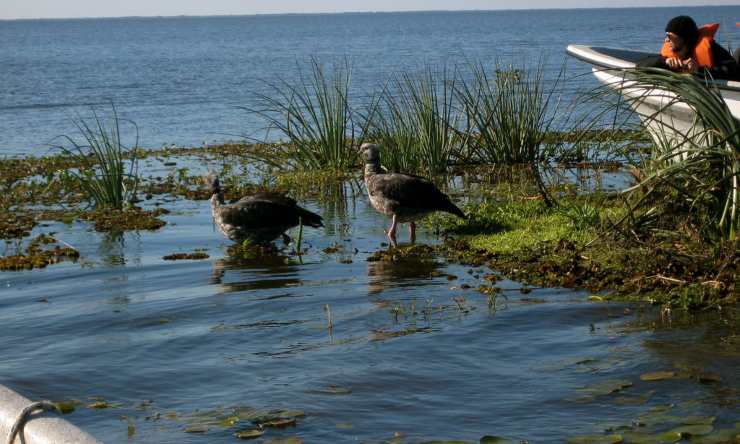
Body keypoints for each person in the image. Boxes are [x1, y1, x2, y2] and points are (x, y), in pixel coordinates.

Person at [637, 15, 739, 81]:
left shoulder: (713, 49)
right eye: (666, 36)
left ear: (684, 38)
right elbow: (640, 65)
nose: (666, 40)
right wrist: (665, 61)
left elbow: (734, 71)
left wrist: (699, 70)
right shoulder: (670, 54)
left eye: (670, 37)